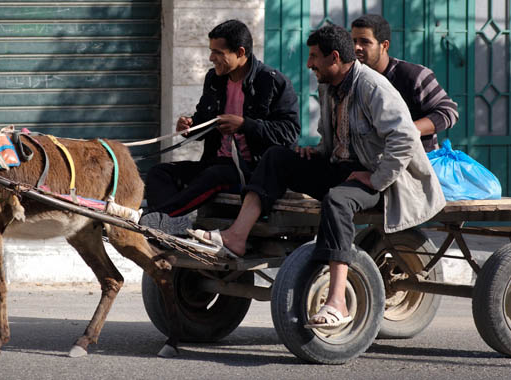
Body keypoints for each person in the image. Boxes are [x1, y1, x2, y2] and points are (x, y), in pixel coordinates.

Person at [188, 25, 445, 329]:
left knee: (338, 200)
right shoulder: (329, 86)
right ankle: (236, 237)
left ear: (334, 57)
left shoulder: (373, 87)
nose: (308, 64)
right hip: (342, 168)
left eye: (313, 57)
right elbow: (338, 136)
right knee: (277, 157)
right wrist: (318, 152)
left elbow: (405, 139)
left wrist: (376, 178)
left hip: (384, 182)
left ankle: (337, 301)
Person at [140, 19, 300, 235]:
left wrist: (244, 125)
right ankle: (172, 224)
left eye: (217, 52)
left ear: (240, 52)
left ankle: (158, 219)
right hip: (215, 163)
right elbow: (202, 124)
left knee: (216, 175)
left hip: (252, 173)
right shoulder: (214, 79)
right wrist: (190, 126)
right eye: (210, 51)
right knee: (159, 173)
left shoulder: (273, 82)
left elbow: (289, 133)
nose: (211, 58)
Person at [351, 14, 459, 152]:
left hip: (417, 165)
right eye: (354, 41)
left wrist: (404, 131)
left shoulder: (413, 75)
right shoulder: (354, 78)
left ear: (384, 45)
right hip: (371, 165)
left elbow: (448, 112)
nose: (357, 47)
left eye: (365, 42)